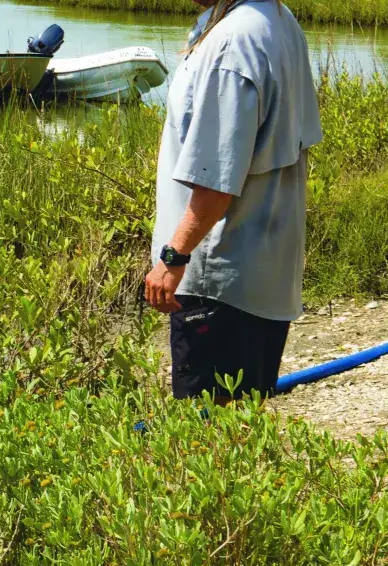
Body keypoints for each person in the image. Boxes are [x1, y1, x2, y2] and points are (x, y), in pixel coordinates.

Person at [144, 0, 321, 405]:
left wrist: (174, 256)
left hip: (217, 279)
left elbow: (218, 177)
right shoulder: (277, 19)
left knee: (206, 437)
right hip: (264, 274)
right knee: (240, 425)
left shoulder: (232, 43)